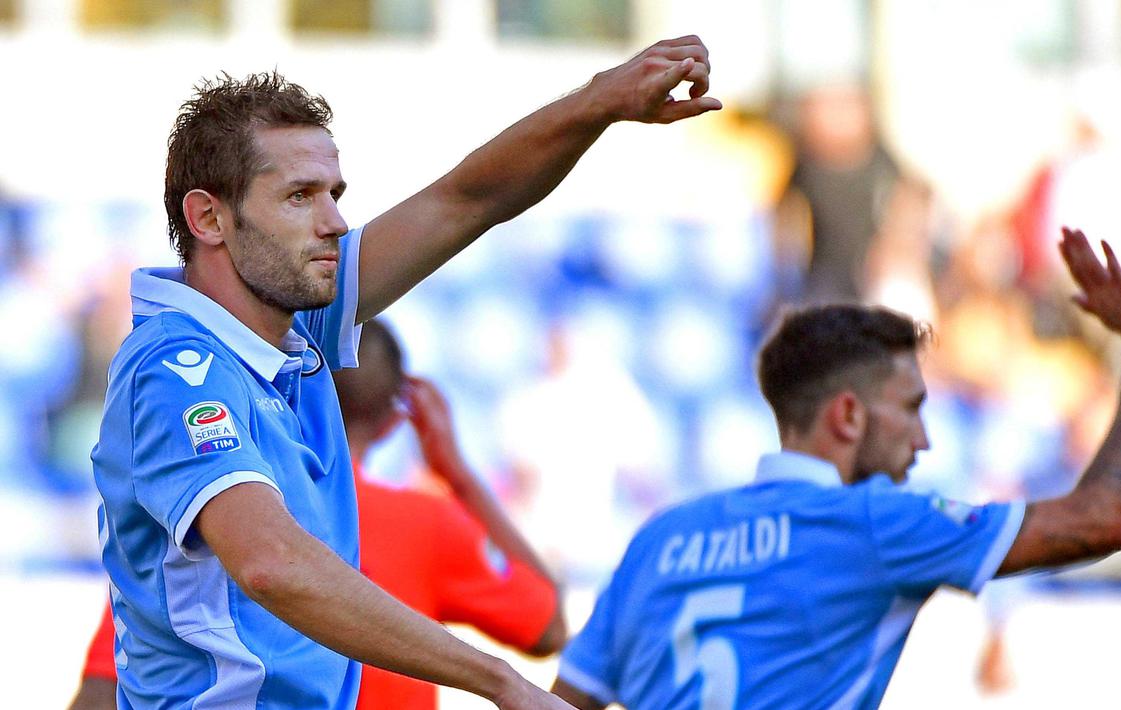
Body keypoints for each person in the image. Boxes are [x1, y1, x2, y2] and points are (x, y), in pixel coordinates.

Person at [91, 37, 719, 710]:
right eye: (300, 196)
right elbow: (269, 561)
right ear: (208, 217)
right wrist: (499, 681)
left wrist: (597, 102)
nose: (334, 221)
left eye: (334, 193)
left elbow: (467, 198)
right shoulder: (178, 368)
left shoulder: (289, 327)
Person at [551, 227, 1121, 709]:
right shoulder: (879, 524)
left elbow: (559, 703)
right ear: (847, 417)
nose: (924, 440)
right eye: (911, 409)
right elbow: (1105, 519)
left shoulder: (662, 538)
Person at [71, 319, 564, 710]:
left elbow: (101, 690)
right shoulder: (428, 523)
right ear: (397, 420)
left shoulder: (207, 516)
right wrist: (459, 474)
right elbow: (548, 628)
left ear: (286, 396)